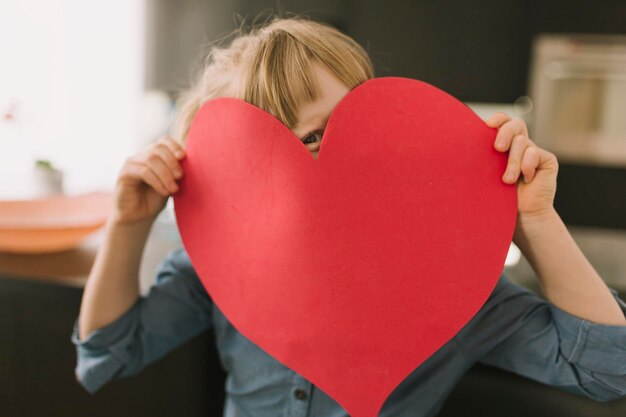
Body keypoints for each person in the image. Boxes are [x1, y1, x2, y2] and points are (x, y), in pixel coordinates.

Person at [71, 16, 626, 417]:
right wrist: (128, 225)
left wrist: (534, 222)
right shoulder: (215, 268)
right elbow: (107, 356)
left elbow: (609, 369)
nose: (302, 172)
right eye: (268, 152)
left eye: (319, 136)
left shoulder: (448, 281)